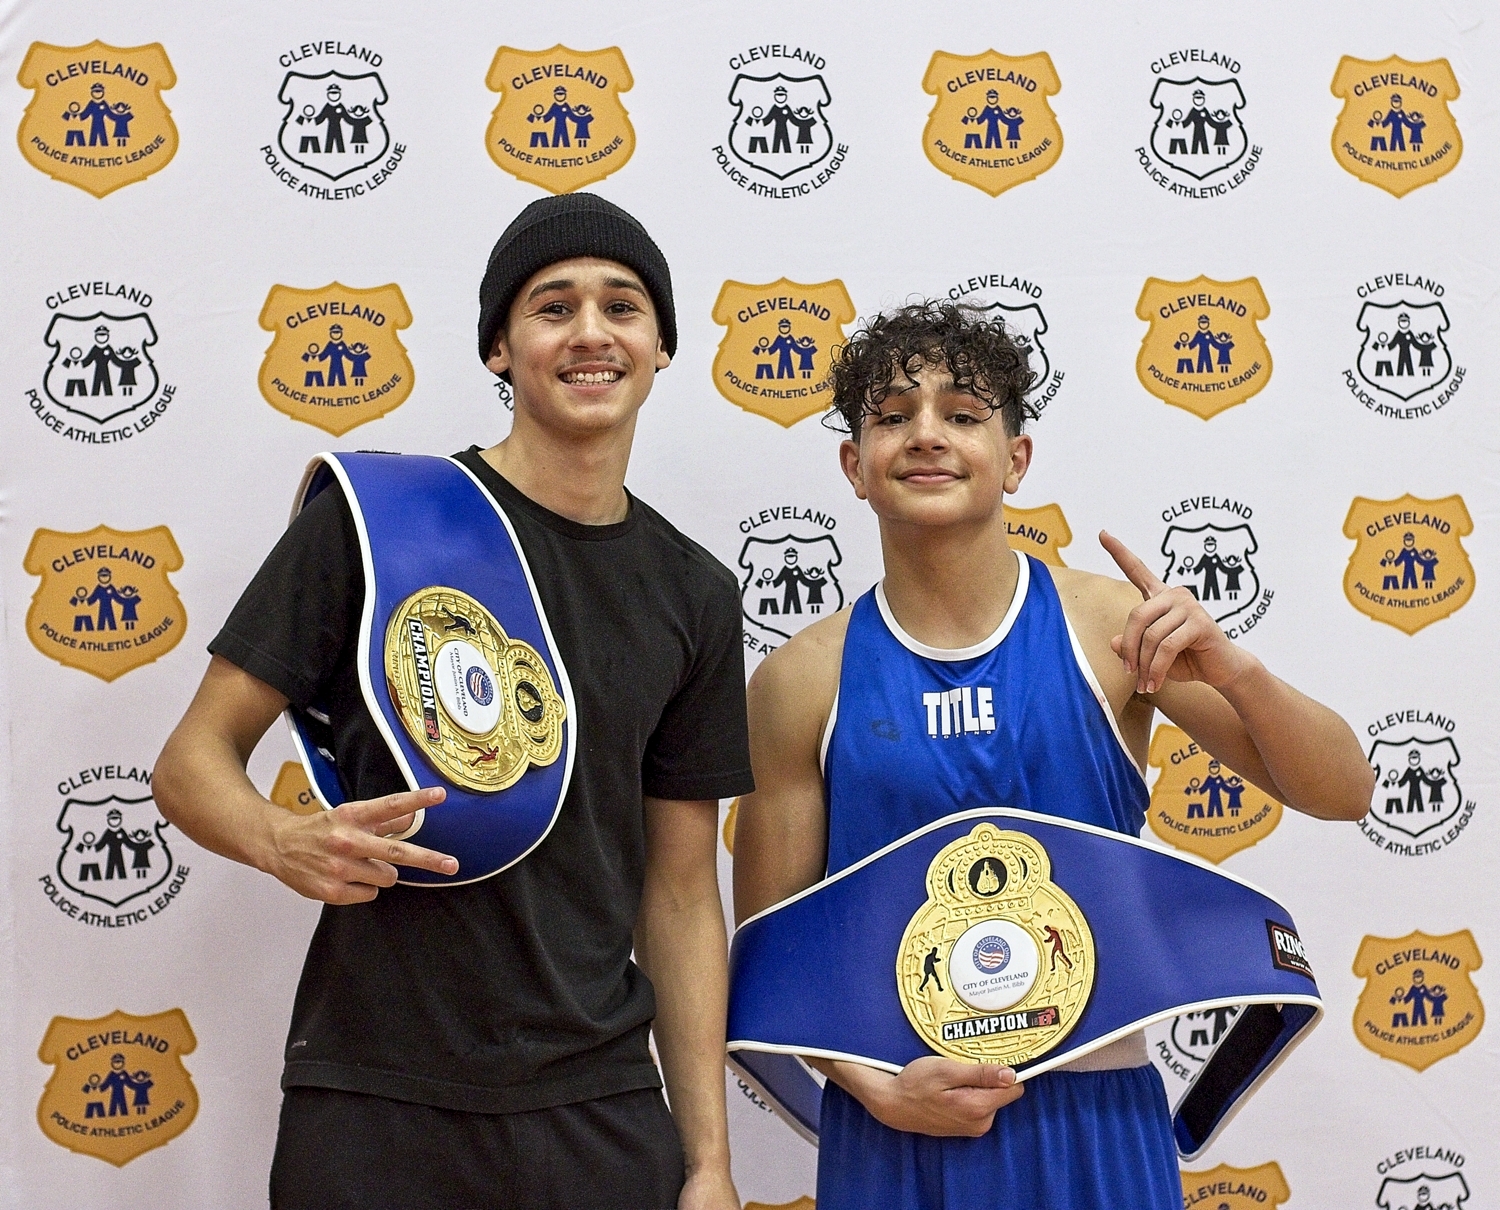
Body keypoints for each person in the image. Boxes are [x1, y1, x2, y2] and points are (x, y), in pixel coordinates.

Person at [156, 193, 750, 1210]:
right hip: (377, 1094)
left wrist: (708, 1162)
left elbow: (685, 893)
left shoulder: (694, 591)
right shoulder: (377, 526)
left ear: (661, 348)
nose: (591, 332)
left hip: (595, 1102)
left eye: (623, 306)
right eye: (553, 307)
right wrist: (277, 836)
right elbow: (190, 763)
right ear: (499, 351)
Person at [732, 301, 1372, 1210]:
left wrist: (1236, 671)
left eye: (962, 413)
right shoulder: (804, 678)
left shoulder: (1110, 628)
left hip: (1096, 1112)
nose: (926, 436)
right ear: (854, 466)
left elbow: (1347, 788)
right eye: (891, 416)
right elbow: (772, 959)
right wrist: (872, 1087)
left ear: (1017, 458)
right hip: (896, 1121)